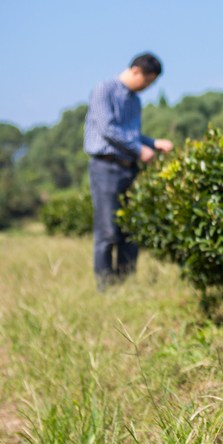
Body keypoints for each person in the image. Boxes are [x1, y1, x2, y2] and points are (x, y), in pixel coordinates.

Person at [84, 53, 174, 291]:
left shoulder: (135, 101)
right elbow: (108, 129)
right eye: (147, 81)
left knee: (130, 230)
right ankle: (106, 289)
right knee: (108, 231)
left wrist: (153, 143)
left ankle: (125, 285)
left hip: (129, 169)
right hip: (106, 167)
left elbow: (132, 136)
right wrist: (139, 149)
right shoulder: (104, 90)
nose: (147, 87)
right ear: (135, 71)